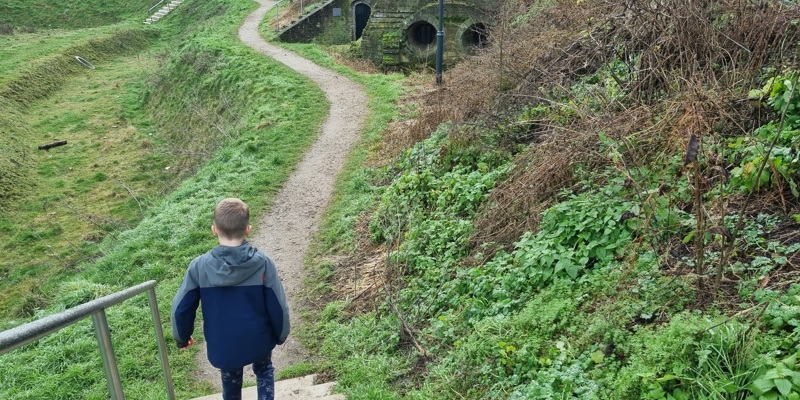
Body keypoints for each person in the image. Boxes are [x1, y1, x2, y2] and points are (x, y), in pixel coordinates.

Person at [171, 198, 290, 400]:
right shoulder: (263, 263)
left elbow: (181, 307)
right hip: (259, 339)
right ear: (248, 229)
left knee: (231, 382)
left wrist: (182, 337)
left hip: (224, 344)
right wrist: (281, 333)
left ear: (214, 230)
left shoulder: (199, 267)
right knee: (264, 370)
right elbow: (278, 304)